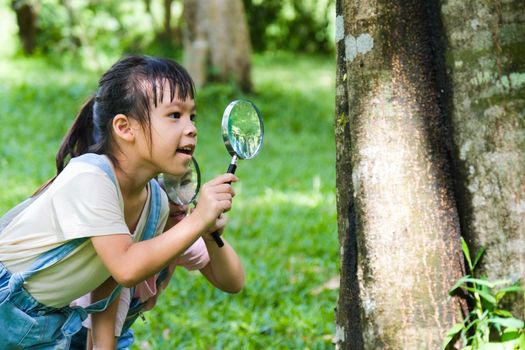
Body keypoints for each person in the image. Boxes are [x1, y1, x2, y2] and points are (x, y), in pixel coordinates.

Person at [0, 55, 244, 349]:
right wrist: (196, 220)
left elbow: (109, 281)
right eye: (174, 115)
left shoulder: (154, 202)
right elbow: (126, 266)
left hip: (45, 323)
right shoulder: (89, 177)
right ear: (125, 128)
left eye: (192, 116)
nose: (191, 128)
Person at [70, 168, 243, 349]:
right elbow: (97, 341)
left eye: (184, 184)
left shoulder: (178, 234)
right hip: (62, 333)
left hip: (117, 333)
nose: (180, 200)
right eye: (165, 190)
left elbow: (232, 282)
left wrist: (210, 237)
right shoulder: (122, 252)